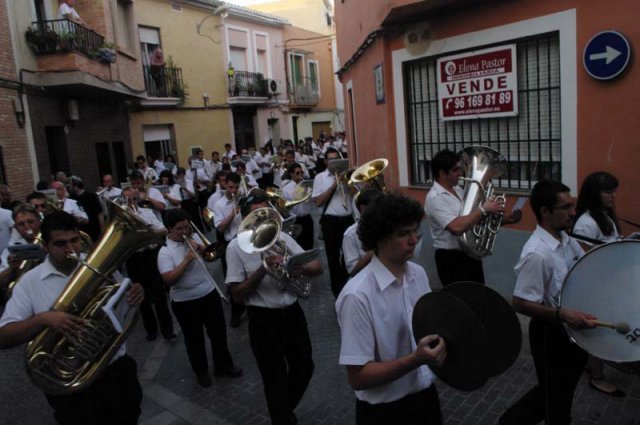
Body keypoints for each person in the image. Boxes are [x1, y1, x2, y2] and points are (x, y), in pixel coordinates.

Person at [0, 211, 144, 425]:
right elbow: (3, 336)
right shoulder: (29, 283)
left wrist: (135, 294)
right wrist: (42, 319)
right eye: (60, 244)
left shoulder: (100, 265)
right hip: (71, 388)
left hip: (115, 372)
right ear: (45, 247)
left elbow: (123, 307)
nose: (71, 249)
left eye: (75, 240)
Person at [336, 193, 447, 425]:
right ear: (379, 238)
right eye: (403, 234)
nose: (414, 240)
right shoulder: (357, 295)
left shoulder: (418, 274)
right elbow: (358, 377)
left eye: (415, 231)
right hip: (384, 413)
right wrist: (415, 360)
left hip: (425, 398)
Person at [499, 180, 598, 425]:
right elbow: (520, 302)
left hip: (571, 327)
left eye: (572, 205)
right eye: (566, 207)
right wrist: (562, 315)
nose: (573, 212)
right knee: (555, 399)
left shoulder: (567, 240)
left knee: (559, 391)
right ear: (545, 211)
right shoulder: (537, 253)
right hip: (550, 334)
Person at [225, 190, 322, 425]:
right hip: (263, 320)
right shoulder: (235, 248)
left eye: (266, 213)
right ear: (246, 219)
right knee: (273, 377)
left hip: (291, 313)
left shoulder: (282, 238)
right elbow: (237, 296)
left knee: (305, 366)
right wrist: (263, 269)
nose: (264, 220)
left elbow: (317, 266)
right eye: (257, 215)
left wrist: (300, 269)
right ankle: (282, 417)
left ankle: (283, 410)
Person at [158, 209, 242, 387]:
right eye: (179, 229)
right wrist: (187, 259)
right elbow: (169, 280)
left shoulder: (194, 238)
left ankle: (223, 366)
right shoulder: (164, 252)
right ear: (169, 229)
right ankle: (202, 373)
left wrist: (204, 249)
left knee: (218, 332)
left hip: (208, 293)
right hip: (184, 302)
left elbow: (211, 257)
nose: (184, 232)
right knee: (194, 339)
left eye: (187, 227)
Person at [424, 149, 520, 286]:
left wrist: (503, 221)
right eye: (455, 170)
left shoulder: (458, 190)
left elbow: (473, 220)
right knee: (460, 302)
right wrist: (483, 208)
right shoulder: (435, 198)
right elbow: (456, 227)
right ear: (442, 173)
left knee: (477, 300)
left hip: (470, 254)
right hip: (450, 259)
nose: (460, 173)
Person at [572, 171, 625, 397]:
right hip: (596, 287)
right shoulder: (586, 223)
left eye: (614, 191)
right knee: (598, 333)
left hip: (609, 283)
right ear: (594, 194)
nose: (613, 196)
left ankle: (590, 366)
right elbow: (585, 261)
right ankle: (597, 377)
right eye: (607, 192)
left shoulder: (605, 216)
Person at [121, 187, 175, 341]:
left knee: (159, 295)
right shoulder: (121, 220)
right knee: (141, 297)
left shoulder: (147, 213)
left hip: (150, 256)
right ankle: (151, 330)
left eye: (134, 199)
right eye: (127, 200)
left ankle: (168, 331)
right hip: (134, 258)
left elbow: (164, 229)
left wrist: (148, 234)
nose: (131, 203)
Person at [312, 147, 354, 297]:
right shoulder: (320, 178)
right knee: (333, 258)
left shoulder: (347, 176)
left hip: (348, 220)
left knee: (350, 255)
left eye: (337, 158)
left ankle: (343, 284)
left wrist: (348, 181)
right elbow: (318, 201)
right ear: (325, 161)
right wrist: (335, 184)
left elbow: (356, 196)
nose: (334, 161)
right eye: (331, 159)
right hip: (331, 222)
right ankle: (338, 291)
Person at [213, 172, 244, 327]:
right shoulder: (218, 204)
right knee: (233, 280)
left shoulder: (243, 199)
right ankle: (236, 312)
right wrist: (232, 213)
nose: (234, 191)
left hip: (245, 240)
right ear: (225, 185)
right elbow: (220, 228)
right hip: (229, 245)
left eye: (236, 188)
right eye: (231, 187)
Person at [0, 204, 41, 295]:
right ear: (16, 228)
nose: (27, 227)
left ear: (39, 221)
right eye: (21, 224)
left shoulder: (50, 241)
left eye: (30, 222)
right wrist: (12, 268)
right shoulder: (12, 249)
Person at [342, 188, 381, 277]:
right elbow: (352, 271)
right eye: (377, 207)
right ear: (363, 208)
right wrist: (375, 250)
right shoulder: (350, 234)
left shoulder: (387, 226)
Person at [281, 163, 314, 250]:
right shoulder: (286, 188)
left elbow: (312, 200)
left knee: (309, 244)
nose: (300, 175)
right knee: (297, 246)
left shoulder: (306, 186)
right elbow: (284, 206)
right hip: (295, 220)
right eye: (297, 173)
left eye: (301, 173)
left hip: (307, 218)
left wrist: (309, 190)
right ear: (291, 174)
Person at [68, 176, 104, 242]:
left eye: (70, 185)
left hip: (94, 229)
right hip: (80, 231)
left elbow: (100, 214)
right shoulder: (71, 198)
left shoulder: (91, 196)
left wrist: (102, 231)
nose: (69, 187)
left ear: (76, 185)